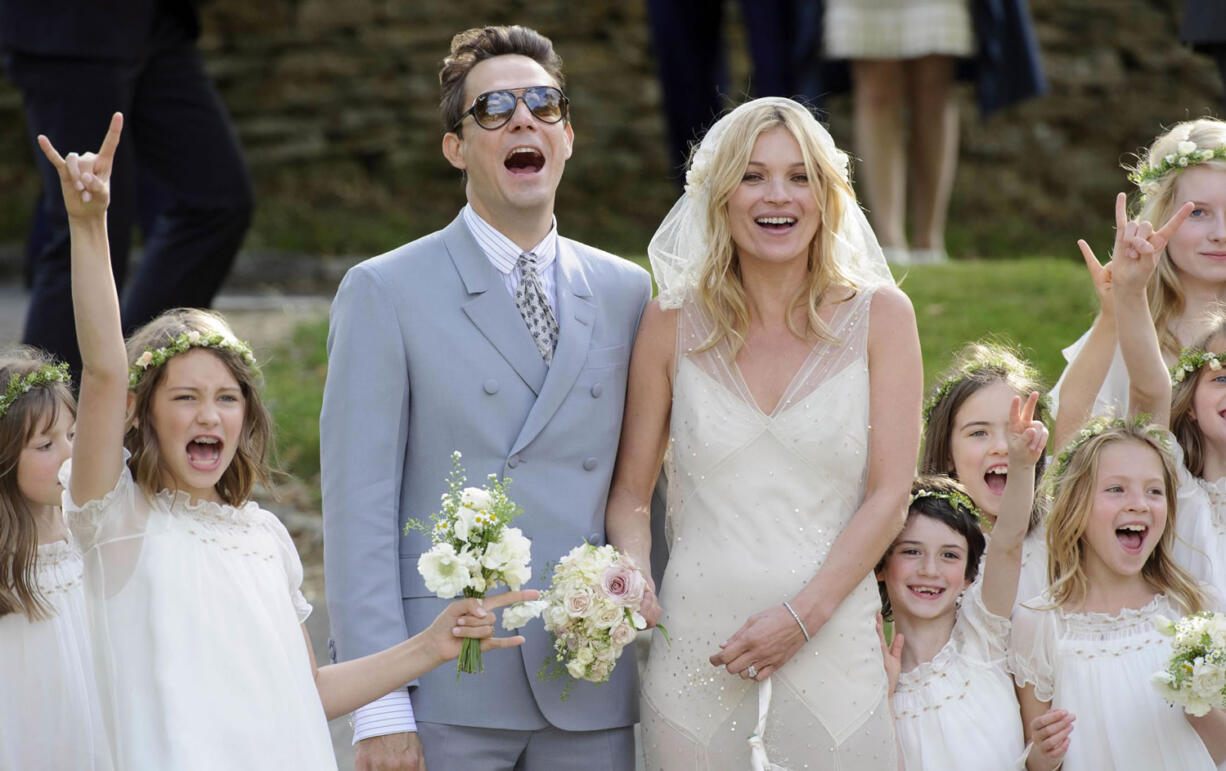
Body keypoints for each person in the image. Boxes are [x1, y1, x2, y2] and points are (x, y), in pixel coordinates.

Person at [46, 114, 534, 770]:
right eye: (184, 398)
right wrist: (88, 225)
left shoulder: (263, 536)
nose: (208, 416)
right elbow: (104, 368)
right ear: (142, 414)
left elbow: (304, 691)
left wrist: (430, 645)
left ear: (248, 415)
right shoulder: (118, 520)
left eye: (226, 398)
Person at [320, 25, 653, 771]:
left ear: (569, 136)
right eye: (495, 109)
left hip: (588, 689)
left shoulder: (630, 292)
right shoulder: (385, 291)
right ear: (456, 147)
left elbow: (645, 489)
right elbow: (358, 510)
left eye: (544, 104)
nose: (523, 120)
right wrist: (379, 704)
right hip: (444, 687)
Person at [606, 96, 921, 768]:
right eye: (752, 176)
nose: (777, 196)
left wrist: (802, 616)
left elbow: (891, 494)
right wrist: (633, 572)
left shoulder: (882, 318)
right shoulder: (670, 322)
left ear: (827, 194)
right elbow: (632, 493)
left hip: (833, 652)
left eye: (799, 176)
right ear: (719, 196)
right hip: (696, 655)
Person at [0, 0, 253, 377]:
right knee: (85, 227)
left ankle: (132, 382)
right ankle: (40, 424)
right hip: (67, 25)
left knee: (217, 201)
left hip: (156, 20)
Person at [1008, 415, 1226, 770]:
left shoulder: (1192, 606)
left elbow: (1218, 752)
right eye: (1116, 489)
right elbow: (1037, 751)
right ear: (1076, 507)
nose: (1139, 503)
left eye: (1154, 491)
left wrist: (1197, 706)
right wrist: (1041, 757)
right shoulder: (1040, 624)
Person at [1052, 119, 1226, 425]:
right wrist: (1118, 306)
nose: (1221, 233)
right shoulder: (1120, 330)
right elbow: (1071, 450)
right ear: (1161, 216)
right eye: (1197, 212)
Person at [876, 453, 1043, 768]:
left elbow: (1009, 542)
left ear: (969, 575)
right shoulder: (877, 684)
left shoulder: (983, 637)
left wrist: (1022, 463)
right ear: (881, 565)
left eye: (949, 555)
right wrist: (883, 700)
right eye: (911, 551)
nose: (929, 570)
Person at [0, 348, 112, 770]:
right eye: (45, 444)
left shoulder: (91, 534)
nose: (69, 455)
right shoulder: (6, 565)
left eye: (73, 435)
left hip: (95, 725)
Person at [920, 341, 1050, 605]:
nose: (1002, 447)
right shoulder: (926, 550)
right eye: (979, 433)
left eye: (1015, 431)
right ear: (947, 455)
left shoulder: (1060, 532)